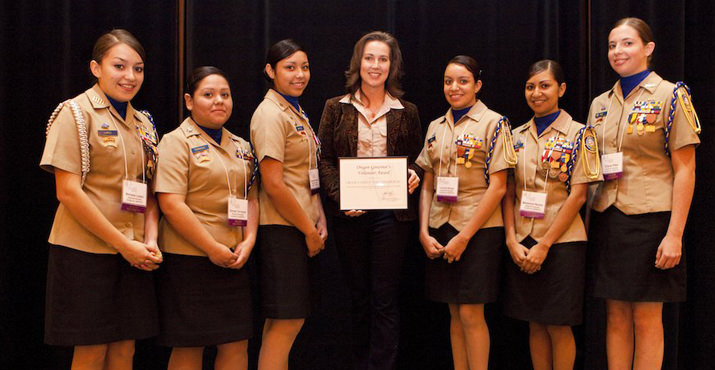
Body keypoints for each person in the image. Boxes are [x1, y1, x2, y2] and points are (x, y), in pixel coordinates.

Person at [40, 29, 162, 370]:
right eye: (119, 66)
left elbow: (150, 189)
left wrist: (149, 241)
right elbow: (67, 191)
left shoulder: (144, 123)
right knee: (91, 353)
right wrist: (122, 244)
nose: (130, 76)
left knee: (125, 350)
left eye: (138, 68)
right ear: (96, 68)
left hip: (135, 251)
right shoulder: (75, 113)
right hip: (86, 252)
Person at [587, 17, 700, 370]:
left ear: (648, 48)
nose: (618, 52)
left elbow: (685, 169)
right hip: (609, 217)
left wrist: (675, 235)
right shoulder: (599, 104)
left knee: (646, 318)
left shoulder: (670, 94)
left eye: (627, 43)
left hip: (652, 219)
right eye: (612, 45)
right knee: (615, 315)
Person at [317, 31, 422, 370]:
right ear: (358, 63)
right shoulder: (335, 108)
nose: (375, 66)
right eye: (369, 58)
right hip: (350, 212)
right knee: (359, 296)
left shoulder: (407, 111)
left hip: (391, 216)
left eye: (383, 59)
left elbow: (418, 158)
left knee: (385, 298)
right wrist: (340, 196)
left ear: (392, 66)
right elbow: (325, 161)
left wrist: (416, 172)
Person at [416, 55, 517, 370]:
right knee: (454, 312)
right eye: (448, 81)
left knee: (472, 313)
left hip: (478, 229)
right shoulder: (436, 125)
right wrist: (422, 232)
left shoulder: (494, 123)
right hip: (440, 225)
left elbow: (498, 187)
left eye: (462, 81)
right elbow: (427, 185)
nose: (454, 87)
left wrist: (465, 235)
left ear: (477, 85)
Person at [154, 66, 257, 370]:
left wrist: (249, 241)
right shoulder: (176, 141)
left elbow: (252, 197)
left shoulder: (241, 146)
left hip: (234, 258)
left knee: (236, 343)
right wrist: (211, 248)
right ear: (189, 101)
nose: (219, 101)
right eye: (208, 95)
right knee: (190, 346)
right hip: (190, 259)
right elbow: (171, 204)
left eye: (225, 95)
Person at [502, 60, 601, 370]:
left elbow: (579, 195)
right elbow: (508, 193)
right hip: (523, 240)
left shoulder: (581, 134)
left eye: (544, 85)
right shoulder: (515, 135)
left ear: (561, 89)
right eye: (530, 87)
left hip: (561, 243)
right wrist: (510, 240)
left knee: (558, 325)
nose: (536, 93)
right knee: (534, 322)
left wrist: (544, 244)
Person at [250, 39, 328, 370]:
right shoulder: (270, 113)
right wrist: (310, 230)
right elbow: (274, 184)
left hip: (300, 225)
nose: (299, 74)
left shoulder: (295, 110)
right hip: (283, 229)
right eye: (290, 67)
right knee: (285, 323)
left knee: (285, 323)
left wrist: (319, 216)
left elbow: (306, 177)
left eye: (304, 67)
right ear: (270, 71)